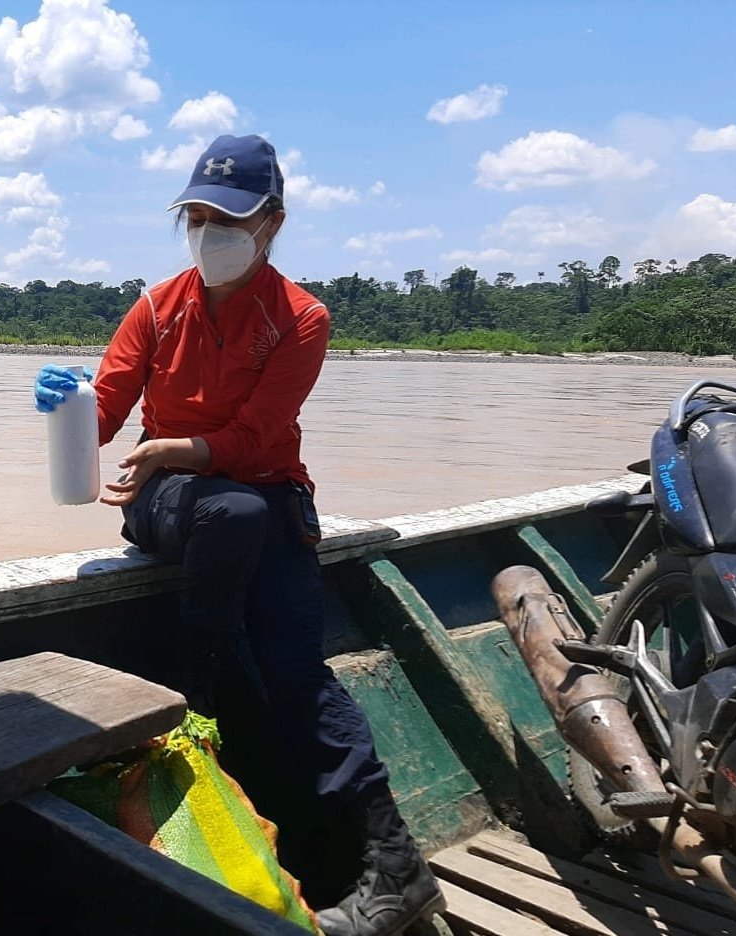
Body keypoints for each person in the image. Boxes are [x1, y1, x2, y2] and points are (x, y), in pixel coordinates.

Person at [34, 134, 444, 936]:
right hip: (172, 504)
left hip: (263, 494)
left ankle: (398, 868)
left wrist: (168, 447)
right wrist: (67, 404)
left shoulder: (302, 319)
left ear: (271, 224)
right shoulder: (157, 307)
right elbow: (106, 412)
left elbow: (258, 436)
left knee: (299, 675)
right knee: (233, 513)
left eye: (227, 220)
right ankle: (204, 687)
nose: (208, 232)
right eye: (196, 217)